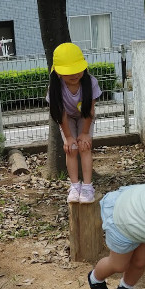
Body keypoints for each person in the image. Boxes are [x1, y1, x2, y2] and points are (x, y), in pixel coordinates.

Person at [47, 42, 102, 204]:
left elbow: (89, 111)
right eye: (68, 71)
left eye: (77, 69)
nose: (74, 74)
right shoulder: (55, 88)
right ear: (58, 72)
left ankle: (87, 186)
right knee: (71, 149)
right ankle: (74, 186)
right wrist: (69, 137)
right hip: (66, 118)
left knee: (84, 147)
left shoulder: (90, 82)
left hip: (86, 116)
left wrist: (85, 133)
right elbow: (61, 114)